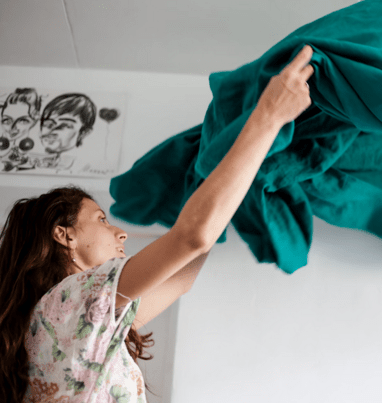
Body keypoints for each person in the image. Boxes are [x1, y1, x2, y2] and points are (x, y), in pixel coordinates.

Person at [0, 44, 314, 403]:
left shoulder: (70, 318)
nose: (119, 232)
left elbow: (183, 273)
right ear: (63, 235)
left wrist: (231, 170)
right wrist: (268, 117)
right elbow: (191, 241)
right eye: (101, 220)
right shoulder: (70, 302)